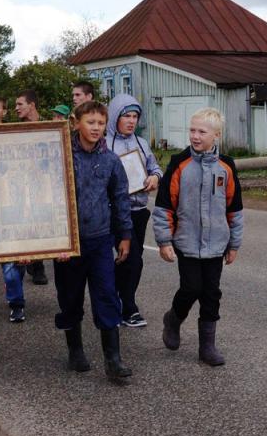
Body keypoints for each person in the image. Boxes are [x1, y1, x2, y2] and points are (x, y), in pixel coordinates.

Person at [153, 107, 243, 367]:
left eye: (202, 132)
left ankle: (207, 347)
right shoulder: (179, 163)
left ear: (216, 135)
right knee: (191, 287)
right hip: (187, 241)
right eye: (192, 130)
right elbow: (163, 206)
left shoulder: (226, 166)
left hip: (216, 244)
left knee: (211, 293)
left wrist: (234, 243)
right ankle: (173, 318)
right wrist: (164, 241)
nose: (195, 136)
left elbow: (234, 208)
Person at [54, 101, 133, 381]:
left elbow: (120, 198)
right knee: (70, 297)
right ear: (76, 123)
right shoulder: (61, 156)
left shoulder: (111, 160)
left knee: (107, 296)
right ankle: (75, 349)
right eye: (90, 122)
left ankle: (113, 359)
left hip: (100, 240)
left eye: (101, 123)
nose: (96, 128)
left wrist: (125, 235)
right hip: (69, 243)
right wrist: (56, 242)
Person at [105, 94, 162, 328]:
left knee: (130, 259)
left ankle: (117, 301)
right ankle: (129, 308)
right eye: (126, 116)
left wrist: (155, 177)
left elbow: (155, 166)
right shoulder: (105, 144)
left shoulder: (142, 143)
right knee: (131, 260)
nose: (131, 121)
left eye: (135, 116)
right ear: (114, 117)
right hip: (116, 212)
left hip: (139, 209)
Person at [14, 89, 48, 286]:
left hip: (42, 180)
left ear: (32, 105)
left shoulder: (50, 127)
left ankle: (38, 264)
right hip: (22, 181)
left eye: (20, 104)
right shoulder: (15, 130)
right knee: (24, 220)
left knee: (40, 220)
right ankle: (29, 261)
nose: (16, 108)